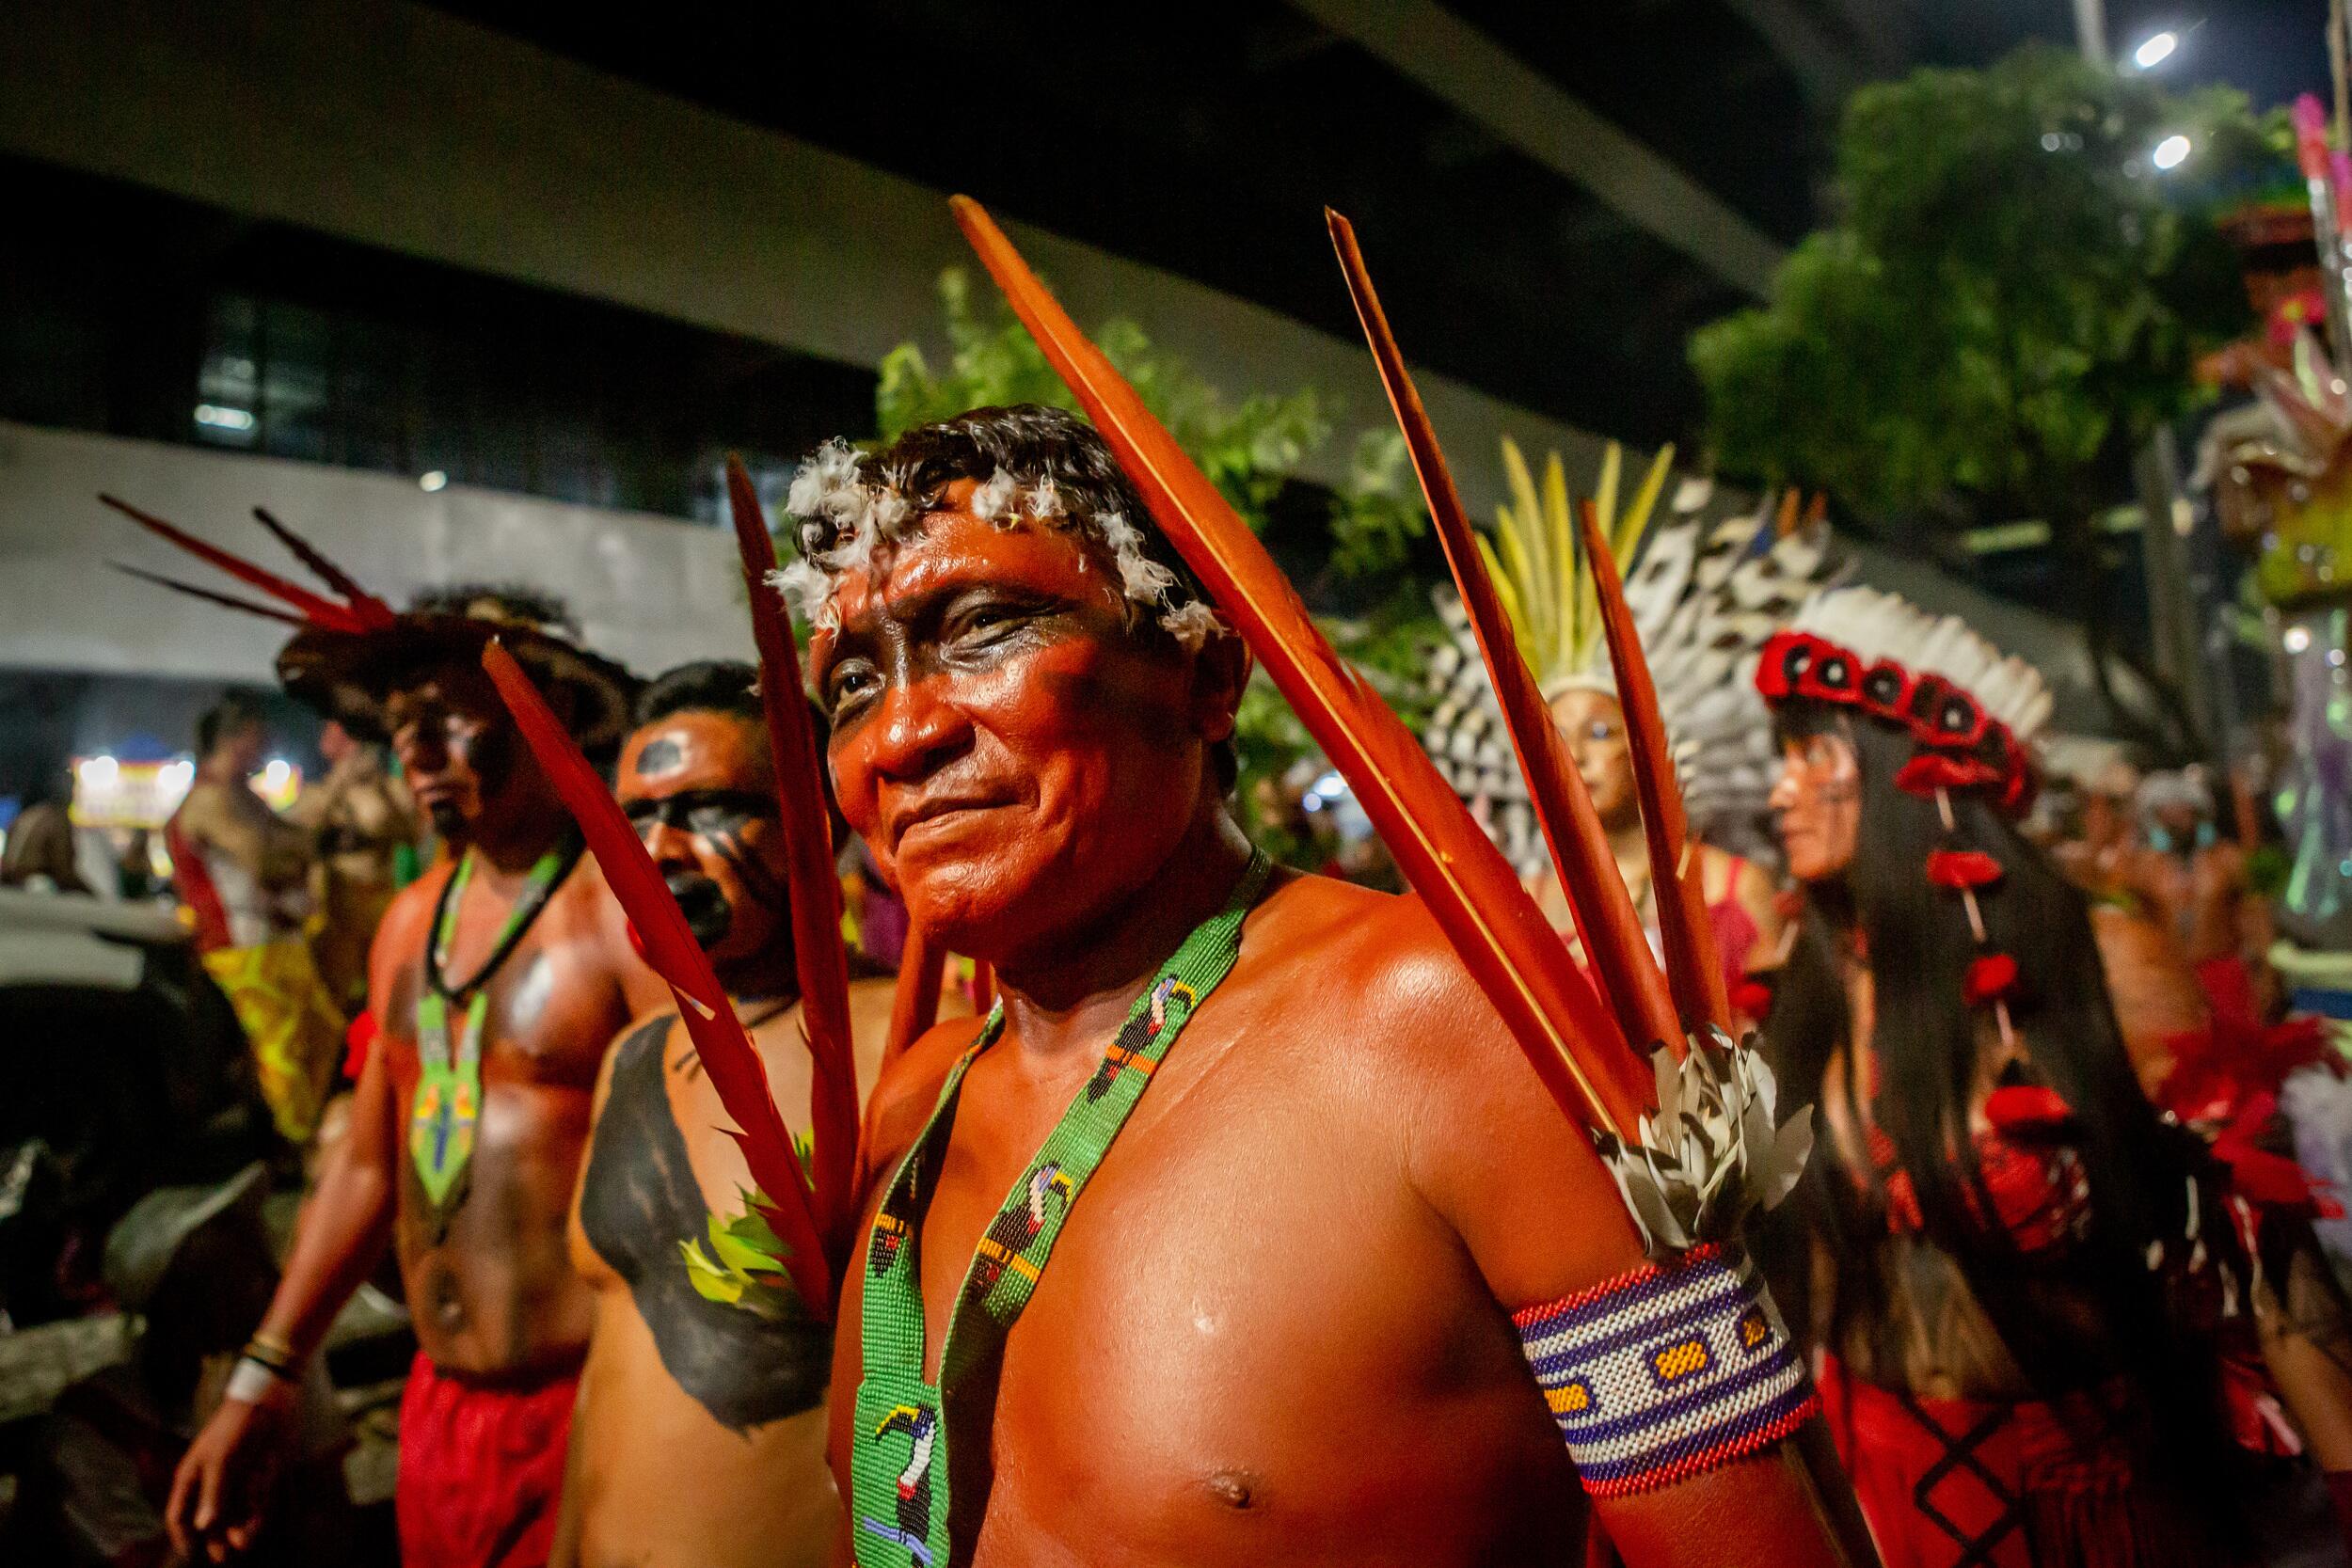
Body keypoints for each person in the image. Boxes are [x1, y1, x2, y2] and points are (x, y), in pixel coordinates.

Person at [785, 406, 1850, 1567]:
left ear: (1206, 675)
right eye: (852, 683)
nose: (900, 733)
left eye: (984, 627)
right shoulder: (916, 1103)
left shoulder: (1443, 1020)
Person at [1755, 587, 2352, 1567]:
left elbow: (2272, 1264)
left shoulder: (2100, 962)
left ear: (1915, 773)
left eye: (1811, 753)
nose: (1779, 791)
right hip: (1885, 1500)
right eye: (1780, 756)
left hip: (2090, 1503)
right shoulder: (1810, 986)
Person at [159, 581, 660, 1568]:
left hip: (591, 1414)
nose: (415, 754)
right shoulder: (409, 922)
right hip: (440, 1422)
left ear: (546, 707)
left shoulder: (625, 911)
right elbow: (365, 1165)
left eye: (442, 719)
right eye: (399, 728)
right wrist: (264, 1378)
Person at [553, 660, 905, 1568]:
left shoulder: (909, 1045)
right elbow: (609, 1368)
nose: (656, 850)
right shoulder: (633, 1056)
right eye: (632, 818)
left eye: (705, 809)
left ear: (819, 823)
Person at [1423, 442, 1828, 1020]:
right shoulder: (1526, 902)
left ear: (1647, 748)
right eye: (1555, 740)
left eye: (1599, 734)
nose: (1575, 757)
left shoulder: (1738, 887)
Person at [167, 695, 343, 1145]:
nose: (266, 745)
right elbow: (266, 861)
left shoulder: (242, 796)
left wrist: (291, 849)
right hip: (242, 951)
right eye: (258, 735)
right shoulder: (208, 799)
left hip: (277, 943)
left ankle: (302, 1137)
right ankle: (296, 1147)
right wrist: (293, 850)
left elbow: (299, 846)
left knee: (323, 1035)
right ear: (235, 738)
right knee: (283, 1051)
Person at [290, 718, 421, 1015]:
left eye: (345, 733)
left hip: (380, 896)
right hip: (337, 905)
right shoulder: (318, 793)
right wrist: (340, 785)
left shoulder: (388, 790)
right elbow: (301, 834)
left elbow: (411, 832)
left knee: (386, 979)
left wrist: (376, 788)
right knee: (341, 991)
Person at [2, 758, 91, 894]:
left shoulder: (28, 814)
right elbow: (63, 868)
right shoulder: (57, 818)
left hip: (10, 884)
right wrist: (90, 893)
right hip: (36, 886)